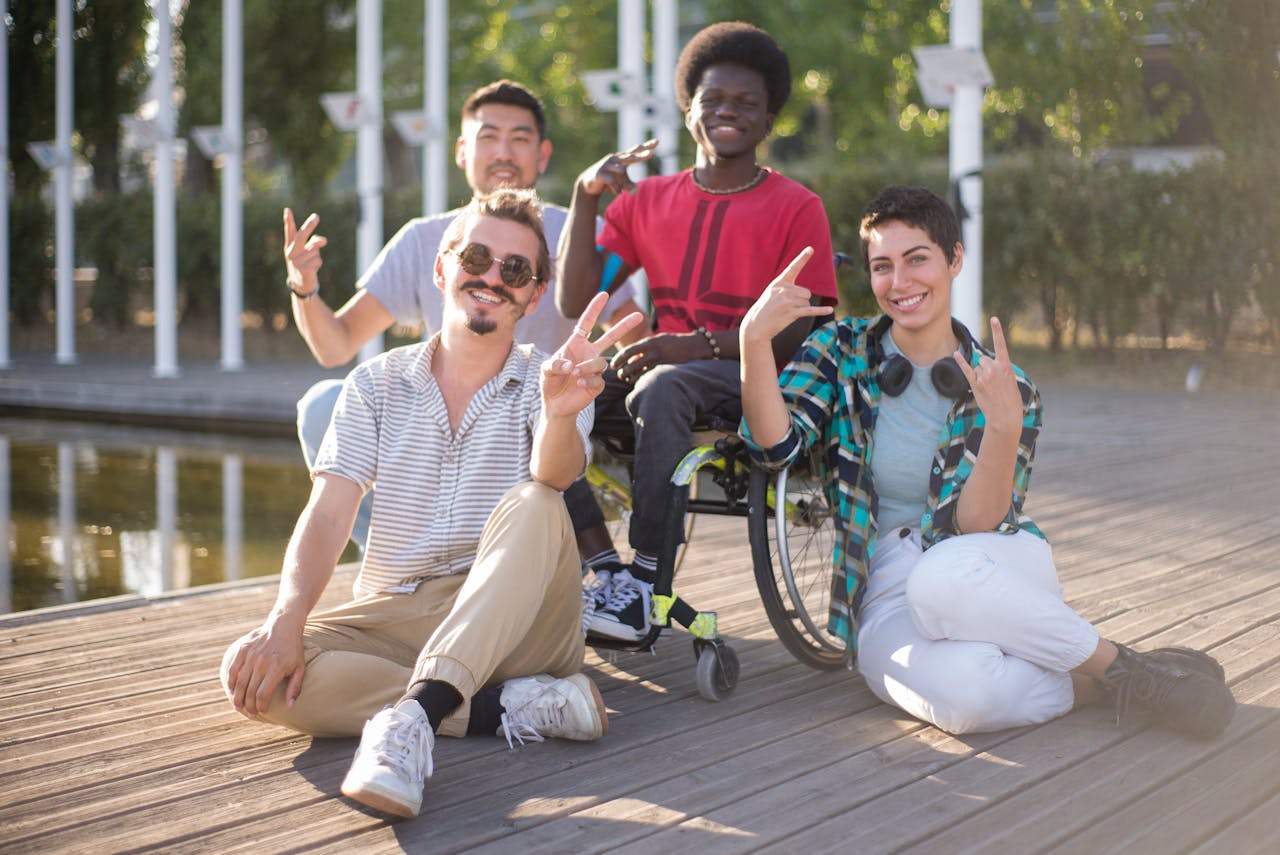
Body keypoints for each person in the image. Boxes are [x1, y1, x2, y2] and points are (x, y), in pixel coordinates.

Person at [738, 184, 1236, 739]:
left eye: (916, 259)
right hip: (883, 586)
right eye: (882, 266)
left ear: (954, 259)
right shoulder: (838, 350)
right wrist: (752, 342)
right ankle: (1111, 674)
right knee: (969, 700)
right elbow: (774, 448)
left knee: (941, 580)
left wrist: (1003, 428)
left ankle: (1131, 670)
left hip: (986, 564)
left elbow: (977, 524)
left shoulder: (1005, 384)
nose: (899, 283)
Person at [220, 189, 644, 819]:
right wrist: (284, 620)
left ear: (532, 294)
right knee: (253, 672)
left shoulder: (547, 377)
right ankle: (512, 707)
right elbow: (330, 513)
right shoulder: (374, 383)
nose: (493, 277)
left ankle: (415, 722)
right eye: (477, 256)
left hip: (521, 621)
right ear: (443, 268)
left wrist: (560, 412)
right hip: (405, 611)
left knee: (534, 500)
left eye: (515, 270)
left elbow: (555, 477)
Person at [556, 21, 838, 642]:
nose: (727, 113)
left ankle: (649, 582)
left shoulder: (798, 207)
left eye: (746, 104)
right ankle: (606, 568)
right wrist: (584, 197)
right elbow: (576, 299)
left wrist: (694, 346)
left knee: (662, 385)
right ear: (689, 112)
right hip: (661, 377)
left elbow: (803, 331)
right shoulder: (645, 201)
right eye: (713, 100)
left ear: (768, 122)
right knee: (538, 383)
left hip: (749, 380)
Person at [285, 79, 647, 550]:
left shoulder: (580, 232)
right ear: (461, 151)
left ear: (542, 155)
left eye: (520, 138)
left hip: (542, 411)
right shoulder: (423, 239)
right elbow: (335, 346)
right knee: (320, 405)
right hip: (443, 411)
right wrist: (303, 286)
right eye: (488, 137)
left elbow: (632, 336)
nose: (503, 152)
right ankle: (398, 557)